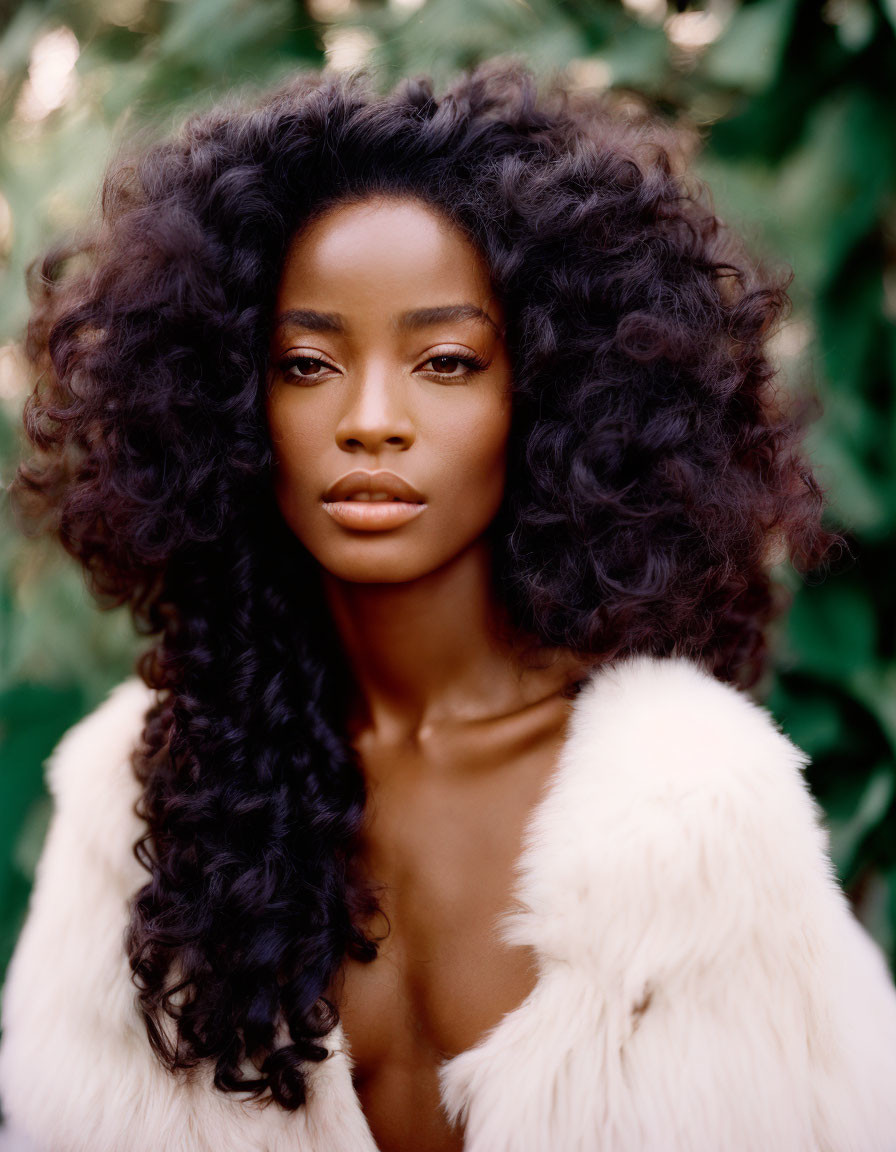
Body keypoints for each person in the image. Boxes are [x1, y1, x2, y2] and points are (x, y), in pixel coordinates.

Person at [0, 57, 895, 1152]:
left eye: (443, 360)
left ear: (555, 395)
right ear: (227, 401)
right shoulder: (133, 810)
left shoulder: (693, 824)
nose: (370, 419)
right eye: (306, 364)